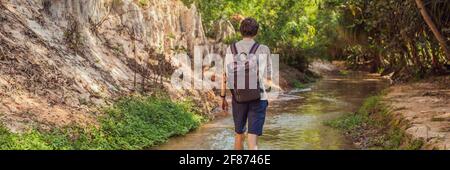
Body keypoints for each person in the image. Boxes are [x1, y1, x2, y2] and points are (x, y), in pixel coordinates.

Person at [220, 18, 272, 150]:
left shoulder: (230, 49)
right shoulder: (263, 49)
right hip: (258, 97)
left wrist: (223, 97)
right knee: (252, 138)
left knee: (239, 135)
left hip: (238, 97)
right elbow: (268, 78)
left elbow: (225, 76)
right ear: (256, 32)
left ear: (240, 31)